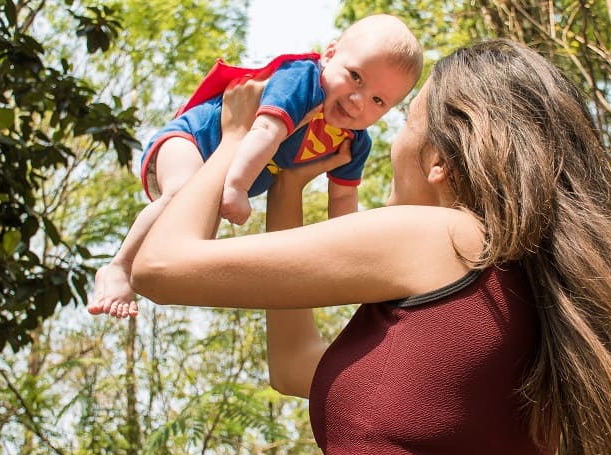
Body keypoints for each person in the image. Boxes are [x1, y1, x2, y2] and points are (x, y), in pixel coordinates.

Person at [129, 39, 611, 455]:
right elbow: (294, 366)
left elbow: (160, 266)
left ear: (439, 161)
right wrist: (289, 186)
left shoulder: (446, 237)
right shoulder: (527, 293)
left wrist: (234, 138)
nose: (385, 137)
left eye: (402, 121)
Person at [88, 14, 423, 318]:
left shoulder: (354, 142)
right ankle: (119, 266)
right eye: (355, 77)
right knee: (180, 193)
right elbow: (265, 130)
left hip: (222, 172)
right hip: (193, 139)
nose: (357, 101)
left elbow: (343, 202)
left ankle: (146, 271)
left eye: (378, 100)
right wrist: (237, 187)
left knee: (193, 240)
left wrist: (353, 257)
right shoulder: (302, 81)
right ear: (330, 55)